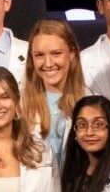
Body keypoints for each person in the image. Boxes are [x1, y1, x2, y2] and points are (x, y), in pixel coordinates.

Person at [23, 22, 85, 153]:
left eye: (56, 54)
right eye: (39, 55)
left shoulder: (91, 101)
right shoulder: (19, 104)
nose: (48, 63)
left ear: (72, 53)